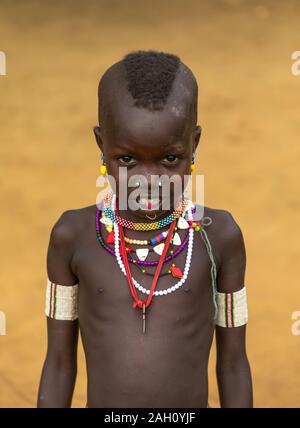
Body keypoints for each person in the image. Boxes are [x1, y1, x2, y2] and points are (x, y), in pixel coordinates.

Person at [37, 50, 253, 408]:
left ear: (194, 145)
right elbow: (59, 364)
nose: (148, 181)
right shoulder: (71, 237)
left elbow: (233, 365)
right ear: (100, 145)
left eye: (170, 159)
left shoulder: (220, 236)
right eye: (127, 159)